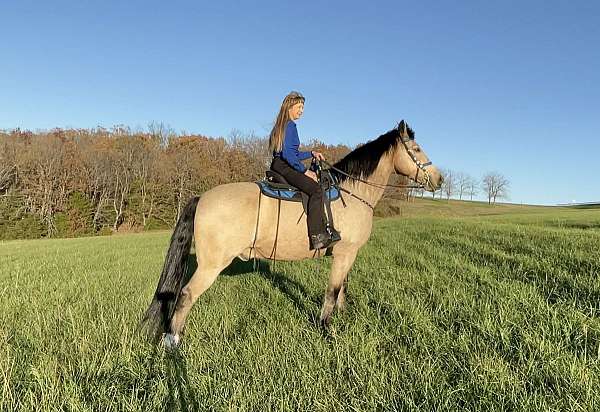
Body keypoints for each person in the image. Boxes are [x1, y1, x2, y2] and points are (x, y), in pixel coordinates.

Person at [269, 91, 340, 250]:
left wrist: (311, 154)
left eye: (302, 107)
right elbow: (288, 154)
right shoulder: (290, 125)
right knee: (316, 190)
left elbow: (293, 153)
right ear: (290, 106)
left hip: (280, 164)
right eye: (299, 107)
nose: (301, 111)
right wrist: (304, 171)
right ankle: (318, 236)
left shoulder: (283, 125)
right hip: (284, 165)